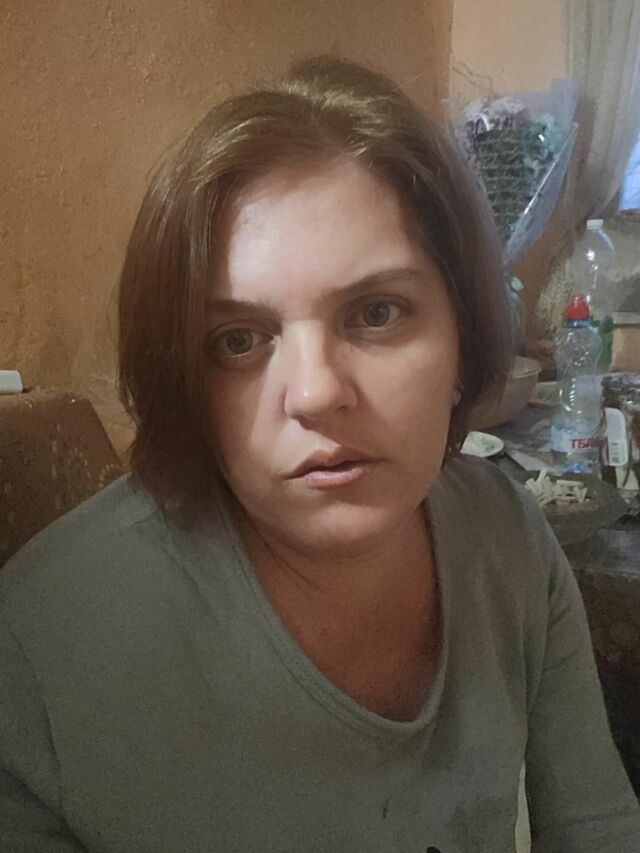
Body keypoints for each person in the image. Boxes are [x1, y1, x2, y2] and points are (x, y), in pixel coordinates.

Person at [0, 57, 638, 853]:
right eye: (239, 339)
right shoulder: (39, 655)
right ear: (183, 379)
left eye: (376, 313)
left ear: (464, 334)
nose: (314, 392)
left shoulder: (509, 541)